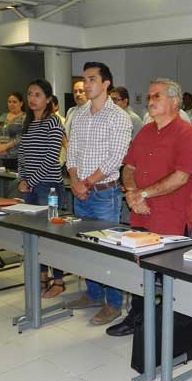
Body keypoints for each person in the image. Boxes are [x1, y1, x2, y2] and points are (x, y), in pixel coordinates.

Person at [106, 78, 192, 337]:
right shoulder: (146, 131)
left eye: (157, 96)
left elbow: (181, 177)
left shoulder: (188, 134)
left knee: (166, 274)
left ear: (174, 101)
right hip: (141, 213)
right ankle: (137, 317)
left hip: (170, 216)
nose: (150, 101)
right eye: (149, 96)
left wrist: (143, 193)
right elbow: (129, 167)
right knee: (139, 268)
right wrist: (132, 193)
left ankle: (167, 326)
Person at [66, 62, 132, 325]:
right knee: (86, 246)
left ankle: (113, 304)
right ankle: (93, 294)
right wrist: (74, 181)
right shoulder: (80, 114)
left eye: (92, 79)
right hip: (80, 190)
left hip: (104, 193)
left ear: (106, 83)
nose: (86, 84)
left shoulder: (119, 116)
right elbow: (72, 152)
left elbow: (116, 158)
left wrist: (87, 183)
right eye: (84, 79)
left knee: (107, 249)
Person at [17, 79, 67, 298]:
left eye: (37, 94)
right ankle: (42, 276)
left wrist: (31, 181)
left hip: (49, 187)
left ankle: (59, 281)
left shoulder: (53, 122)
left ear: (48, 99)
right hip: (30, 187)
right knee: (35, 235)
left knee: (52, 235)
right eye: (30, 94)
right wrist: (22, 178)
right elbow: (22, 155)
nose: (32, 98)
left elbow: (51, 158)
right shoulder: (28, 123)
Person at [0, 92, 25, 171]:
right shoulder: (3, 116)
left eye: (14, 102)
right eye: (9, 102)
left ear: (21, 103)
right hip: (4, 156)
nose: (11, 104)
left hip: (18, 157)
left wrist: (6, 146)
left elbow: (22, 136)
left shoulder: (24, 117)